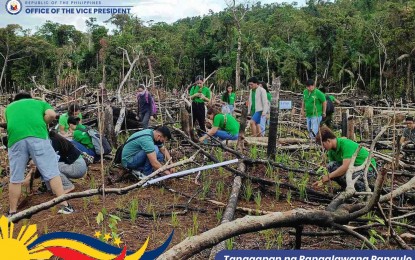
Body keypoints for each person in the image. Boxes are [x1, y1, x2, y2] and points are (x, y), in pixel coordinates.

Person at [5, 92, 74, 216]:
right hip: (38, 137)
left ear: (15, 100)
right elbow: (52, 114)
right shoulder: (39, 103)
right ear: (30, 98)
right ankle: (65, 206)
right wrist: (43, 121)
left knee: (15, 177)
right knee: (52, 172)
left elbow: (9, 123)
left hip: (15, 140)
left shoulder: (9, 108)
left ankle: (12, 212)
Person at [312, 126, 377, 192]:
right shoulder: (331, 151)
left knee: (344, 176)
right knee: (331, 166)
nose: (323, 147)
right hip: (353, 168)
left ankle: (362, 189)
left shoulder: (346, 145)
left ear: (328, 141)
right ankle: (345, 187)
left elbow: (345, 167)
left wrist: (328, 177)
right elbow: (334, 170)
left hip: (368, 169)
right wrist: (321, 181)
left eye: (323, 144)